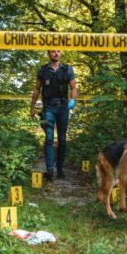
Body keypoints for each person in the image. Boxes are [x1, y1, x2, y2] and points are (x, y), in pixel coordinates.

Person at [30, 50, 77, 181]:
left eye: (58, 51)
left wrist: (73, 100)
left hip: (63, 107)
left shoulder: (67, 69)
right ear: (48, 54)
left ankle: (60, 169)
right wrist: (32, 107)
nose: (56, 54)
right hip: (48, 107)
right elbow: (37, 89)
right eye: (53, 52)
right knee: (49, 138)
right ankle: (50, 170)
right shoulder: (43, 70)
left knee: (62, 139)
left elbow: (73, 87)